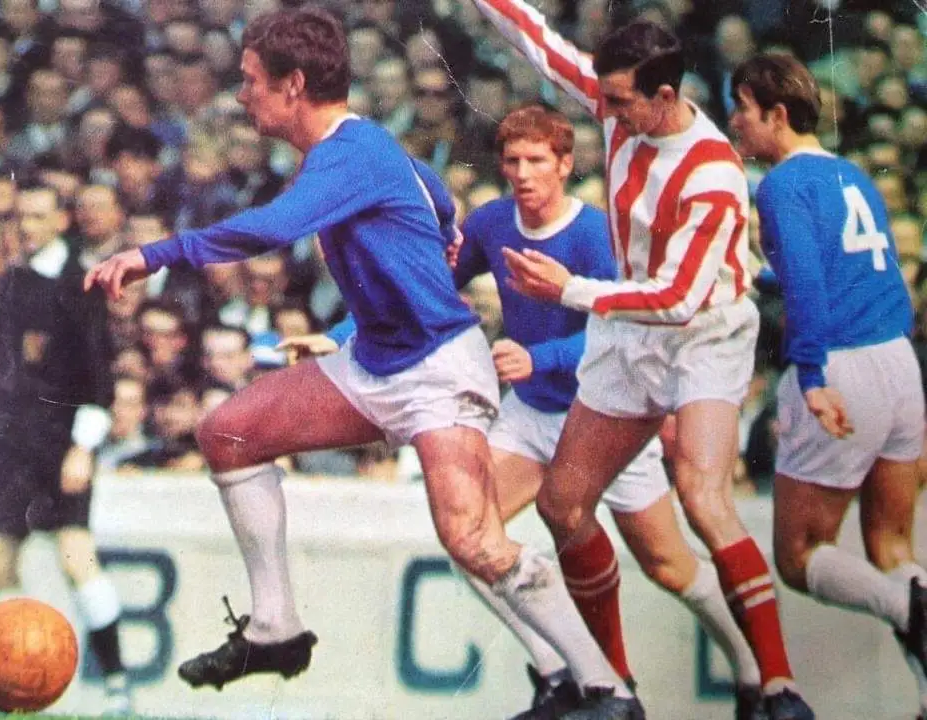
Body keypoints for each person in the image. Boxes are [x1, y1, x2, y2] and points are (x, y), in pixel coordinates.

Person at [84, 7, 636, 715]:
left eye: (251, 81)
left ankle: (606, 688)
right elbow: (432, 190)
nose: (241, 95)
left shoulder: (350, 153)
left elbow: (274, 227)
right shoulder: (360, 146)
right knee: (229, 432)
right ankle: (275, 627)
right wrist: (442, 227)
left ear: (294, 85)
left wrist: (153, 254)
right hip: (375, 361)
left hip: (438, 369)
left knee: (474, 540)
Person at [303, 103, 764, 720]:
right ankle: (560, 674)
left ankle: (752, 672)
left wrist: (539, 356)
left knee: (668, 564)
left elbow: (625, 326)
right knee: (470, 537)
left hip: (605, 414)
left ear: (566, 165)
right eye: (512, 161)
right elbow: (422, 288)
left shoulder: (596, 234)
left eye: (536, 161)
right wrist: (339, 336)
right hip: (531, 415)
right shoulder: (494, 222)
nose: (522, 173)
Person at [467, 5, 814, 719]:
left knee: (703, 500)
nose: (608, 112)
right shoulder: (618, 103)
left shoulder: (712, 170)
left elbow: (679, 298)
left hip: (703, 336)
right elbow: (539, 44)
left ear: (664, 95)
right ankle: (613, 687)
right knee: (563, 506)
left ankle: (779, 687)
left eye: (622, 101)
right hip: (628, 331)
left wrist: (570, 290)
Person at [729, 52, 927, 719]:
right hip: (897, 361)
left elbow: (811, 290)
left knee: (798, 555)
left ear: (777, 114)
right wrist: (760, 275)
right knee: (892, 547)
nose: (735, 123)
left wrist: (811, 376)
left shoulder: (782, 185)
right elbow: (854, 269)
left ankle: (910, 609)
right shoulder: (852, 173)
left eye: (743, 110)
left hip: (839, 363)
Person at [0, 181, 133, 714]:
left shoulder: (78, 286)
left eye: (39, 216)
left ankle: (117, 683)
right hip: (12, 442)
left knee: (76, 556)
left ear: (62, 221)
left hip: (61, 443)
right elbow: (0, 371)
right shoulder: (13, 282)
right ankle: (7, 677)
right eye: (22, 217)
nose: (28, 226)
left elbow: (99, 377)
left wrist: (83, 448)